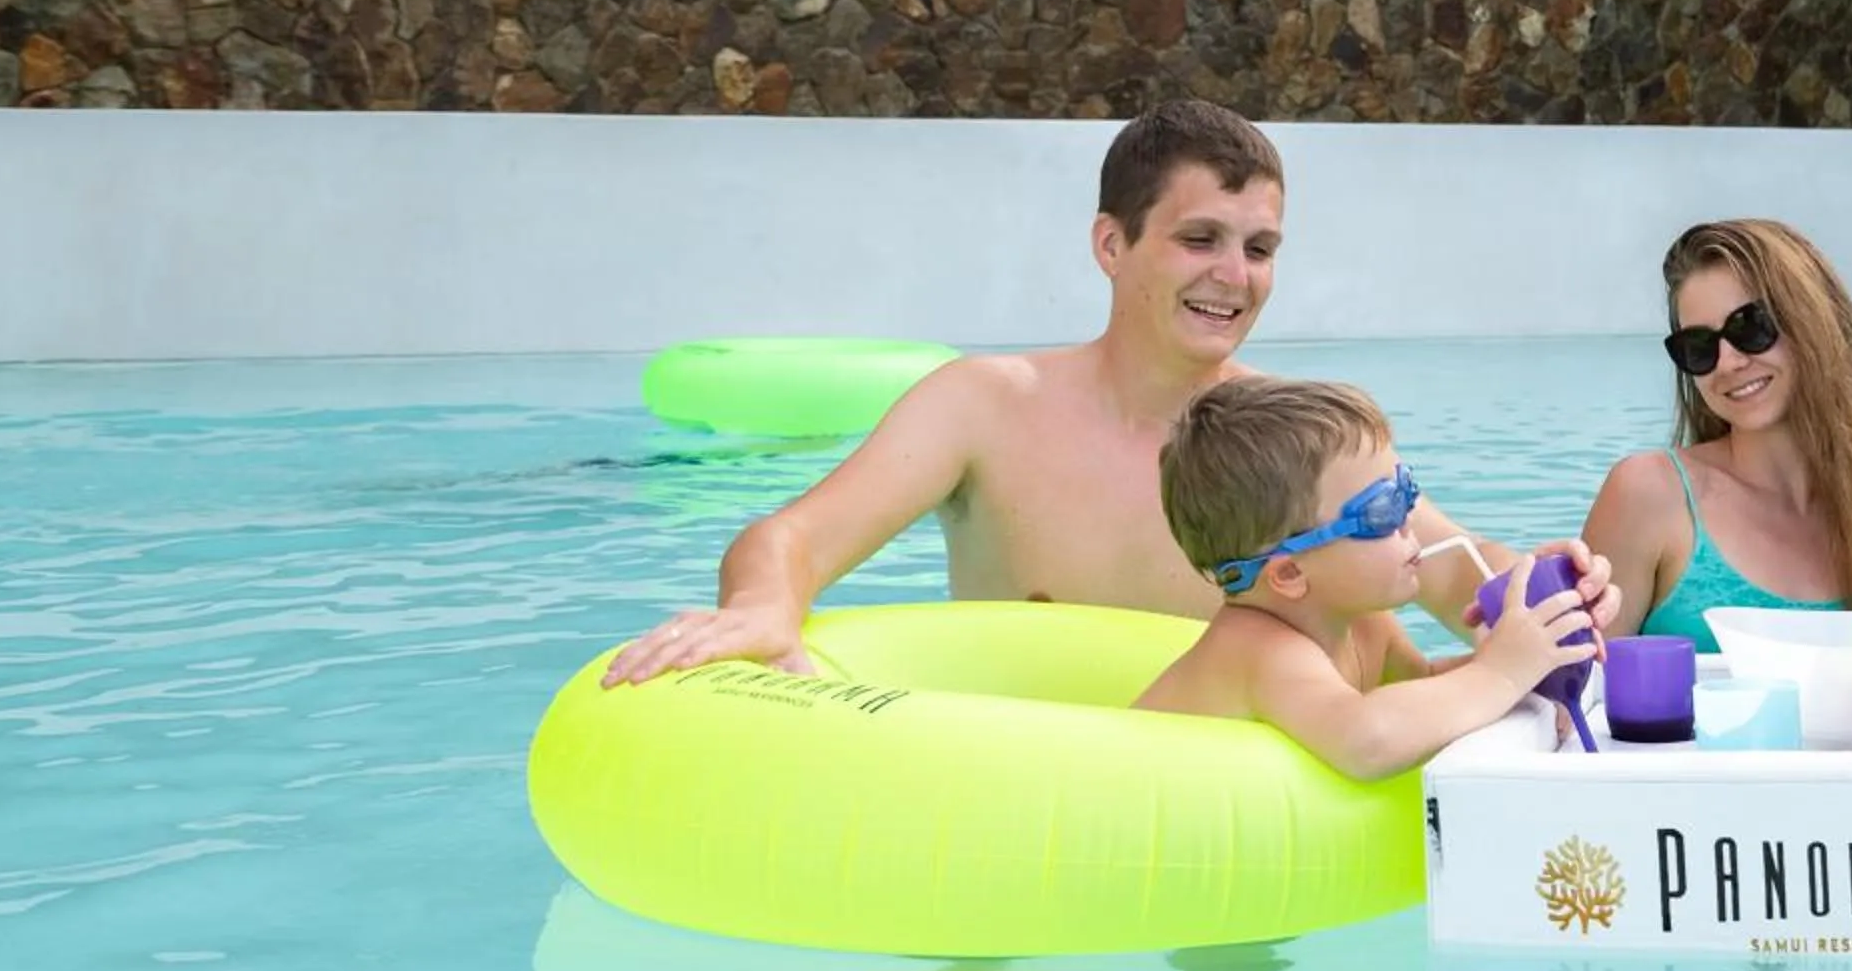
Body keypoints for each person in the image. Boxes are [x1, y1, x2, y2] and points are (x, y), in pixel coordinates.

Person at [604, 100, 1611, 687]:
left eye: (1260, 248)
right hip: (1025, 803)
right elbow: (789, 538)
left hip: (1234, 820)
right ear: (1111, 244)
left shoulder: (1289, 439)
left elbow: (1455, 571)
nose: (1235, 277)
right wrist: (764, 607)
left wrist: (1559, 587)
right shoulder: (984, 408)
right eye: (1200, 239)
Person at [1135, 377, 1592, 777]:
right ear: (1289, 572)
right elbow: (1367, 740)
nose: (1408, 517)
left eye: (1406, 489)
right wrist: (1500, 674)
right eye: (1382, 510)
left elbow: (1423, 684)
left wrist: (1523, 658)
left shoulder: (1363, 622)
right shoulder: (1258, 651)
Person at [1577, 218, 1852, 650]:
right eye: (1699, 346)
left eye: (1750, 326)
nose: (1728, 362)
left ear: (1816, 322)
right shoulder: (1649, 495)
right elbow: (1580, 682)